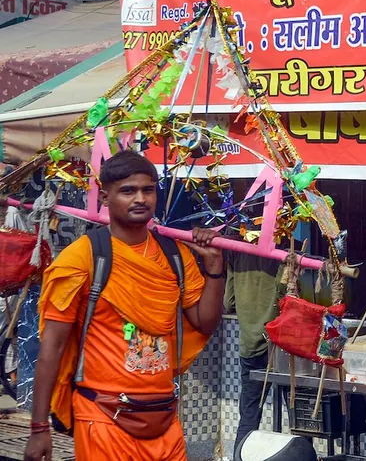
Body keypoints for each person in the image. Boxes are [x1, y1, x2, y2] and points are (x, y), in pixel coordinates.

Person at [25, 150, 226, 461]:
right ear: (105, 197)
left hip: (164, 417)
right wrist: (39, 428)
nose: (140, 199)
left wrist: (214, 266)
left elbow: (205, 323)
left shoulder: (175, 256)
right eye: (127, 191)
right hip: (103, 416)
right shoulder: (82, 258)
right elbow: (52, 347)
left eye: (148, 190)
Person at [223, 247, 284, 455]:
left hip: (250, 344)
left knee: (249, 416)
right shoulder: (288, 250)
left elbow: (228, 302)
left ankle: (239, 457)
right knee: (299, 418)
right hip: (284, 346)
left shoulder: (238, 251)